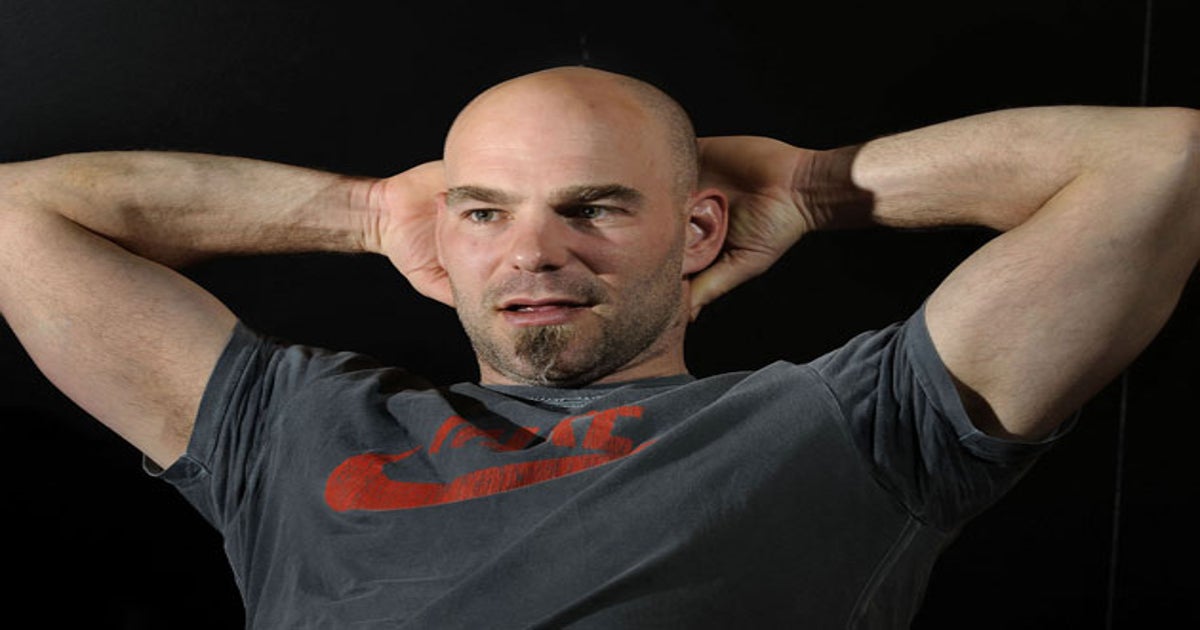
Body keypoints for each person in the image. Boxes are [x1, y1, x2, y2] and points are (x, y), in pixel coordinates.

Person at [0, 65, 1196, 628]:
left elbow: (1162, 162)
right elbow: (18, 217)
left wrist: (813, 188)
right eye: (486, 214)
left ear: (699, 231)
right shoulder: (291, 427)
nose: (533, 253)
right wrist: (362, 211)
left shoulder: (855, 425)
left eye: (595, 207)